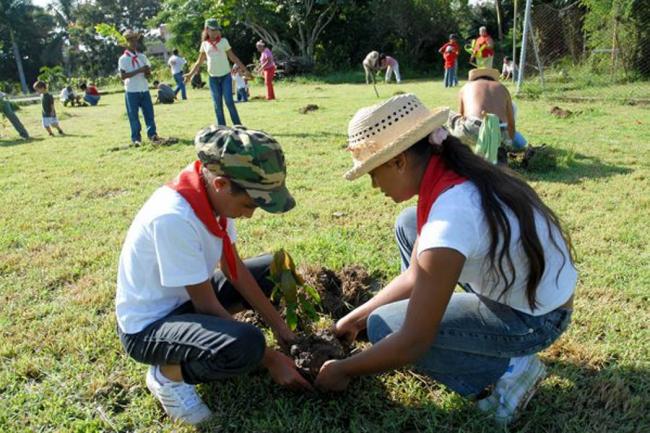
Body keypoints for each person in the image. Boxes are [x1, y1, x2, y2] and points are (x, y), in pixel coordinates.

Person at [315, 93, 577, 426]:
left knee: (386, 327)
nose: (373, 185)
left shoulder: (451, 215)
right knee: (408, 223)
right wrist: (352, 320)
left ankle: (506, 373)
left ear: (399, 161)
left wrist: (343, 369)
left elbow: (413, 342)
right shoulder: (450, 174)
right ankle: (431, 321)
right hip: (529, 294)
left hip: (537, 319)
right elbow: (415, 274)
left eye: (372, 172)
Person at [116, 125, 311, 425]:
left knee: (268, 269)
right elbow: (206, 306)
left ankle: (222, 344)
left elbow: (233, 268)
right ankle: (167, 376)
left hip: (184, 302)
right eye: (248, 205)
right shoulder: (174, 219)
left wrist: (284, 331)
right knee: (248, 344)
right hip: (149, 328)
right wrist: (271, 358)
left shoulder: (208, 193)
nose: (250, 214)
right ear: (221, 184)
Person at [185, 18, 251, 126]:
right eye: (213, 30)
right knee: (217, 104)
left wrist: (245, 70)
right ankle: (222, 127)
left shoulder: (223, 41)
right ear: (207, 30)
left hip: (225, 77)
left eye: (217, 30)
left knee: (229, 102)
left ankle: (238, 126)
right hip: (213, 79)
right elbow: (199, 62)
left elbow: (233, 58)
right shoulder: (205, 44)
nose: (216, 32)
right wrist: (190, 74)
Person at [448, 68, 515, 163]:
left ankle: (455, 155)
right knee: (514, 107)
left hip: (472, 129)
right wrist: (508, 142)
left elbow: (462, 116)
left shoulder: (466, 87)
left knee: (449, 114)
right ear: (493, 79)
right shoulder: (502, 88)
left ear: (474, 78)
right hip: (499, 132)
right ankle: (497, 152)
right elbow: (511, 123)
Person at [118, 29, 164, 147]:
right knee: (133, 116)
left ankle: (152, 135)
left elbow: (148, 74)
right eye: (131, 40)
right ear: (126, 42)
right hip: (131, 90)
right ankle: (136, 138)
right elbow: (123, 76)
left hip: (144, 88)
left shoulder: (142, 56)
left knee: (149, 114)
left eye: (135, 40)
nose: (134, 43)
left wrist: (147, 72)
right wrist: (139, 70)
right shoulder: (123, 59)